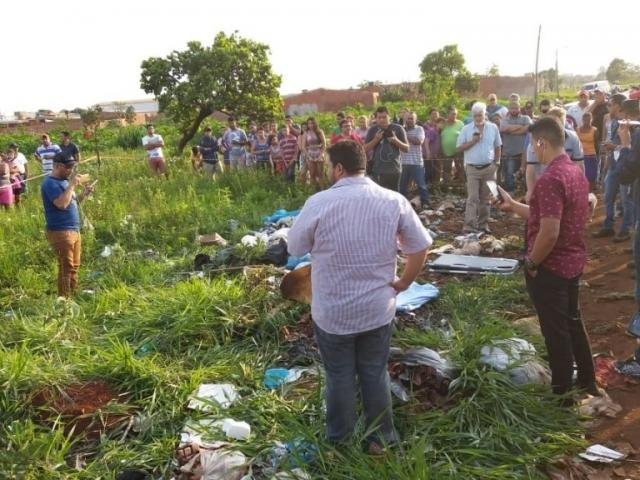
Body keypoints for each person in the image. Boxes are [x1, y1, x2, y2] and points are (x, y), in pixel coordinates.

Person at [287, 140, 431, 453]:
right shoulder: (393, 200)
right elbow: (420, 247)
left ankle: (340, 442)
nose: (328, 171)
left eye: (329, 166)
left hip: (334, 312)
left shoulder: (319, 202)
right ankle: (381, 439)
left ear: (338, 168)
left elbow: (294, 248)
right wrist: (404, 282)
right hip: (376, 310)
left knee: (339, 375)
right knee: (373, 372)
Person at [494, 117, 597, 399]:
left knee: (556, 332)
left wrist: (532, 262)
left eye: (532, 144)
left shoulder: (550, 179)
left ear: (541, 142)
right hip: (572, 262)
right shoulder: (575, 172)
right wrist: (513, 206)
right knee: (573, 322)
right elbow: (546, 217)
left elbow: (549, 232)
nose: (532, 151)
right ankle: (589, 382)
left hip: (550, 267)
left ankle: (562, 395)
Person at [41, 152, 95, 298]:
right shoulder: (50, 183)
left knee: (74, 266)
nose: (71, 170)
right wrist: (71, 185)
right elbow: (61, 204)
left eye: (73, 166)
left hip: (74, 230)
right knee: (66, 267)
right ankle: (64, 301)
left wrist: (84, 193)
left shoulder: (64, 181)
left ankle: (72, 295)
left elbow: (73, 201)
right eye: (69, 167)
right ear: (58, 166)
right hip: (60, 232)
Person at [456, 102, 502, 234]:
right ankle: (469, 226)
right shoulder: (466, 129)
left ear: (485, 114)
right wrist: (473, 141)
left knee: (486, 198)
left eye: (480, 115)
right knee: (472, 198)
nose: (478, 118)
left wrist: (497, 162)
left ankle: (483, 225)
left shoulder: (493, 128)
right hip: (472, 168)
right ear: (472, 115)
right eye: (475, 115)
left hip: (489, 168)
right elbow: (458, 148)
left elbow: (498, 146)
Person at [593, 94, 634, 241]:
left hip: (626, 166)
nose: (608, 107)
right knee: (608, 196)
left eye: (610, 104)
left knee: (625, 199)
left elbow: (632, 147)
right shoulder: (612, 121)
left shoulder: (632, 124)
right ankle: (608, 226)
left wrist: (614, 146)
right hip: (613, 163)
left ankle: (626, 230)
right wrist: (607, 158)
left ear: (618, 105)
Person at [364, 106, 409, 192]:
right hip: (378, 170)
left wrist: (395, 140)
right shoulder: (372, 130)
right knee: (379, 196)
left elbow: (406, 149)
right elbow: (365, 149)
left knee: (395, 195)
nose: (381, 120)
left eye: (384, 117)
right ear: (376, 118)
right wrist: (376, 139)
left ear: (389, 117)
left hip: (394, 169)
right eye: (379, 117)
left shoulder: (398, 128)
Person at [500, 100, 532, 192]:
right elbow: (504, 129)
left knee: (525, 174)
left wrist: (511, 130)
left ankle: (524, 193)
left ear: (520, 108)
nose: (514, 110)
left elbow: (529, 128)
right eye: (512, 108)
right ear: (509, 109)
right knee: (510, 174)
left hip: (524, 152)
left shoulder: (526, 118)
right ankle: (510, 194)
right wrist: (521, 128)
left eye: (516, 108)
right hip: (509, 152)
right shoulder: (505, 119)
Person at [399, 112, 428, 207]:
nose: (410, 120)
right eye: (408, 118)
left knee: (421, 185)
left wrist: (405, 135)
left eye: (412, 118)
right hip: (403, 162)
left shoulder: (420, 129)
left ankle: (426, 203)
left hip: (416, 162)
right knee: (402, 186)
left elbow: (418, 141)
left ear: (415, 120)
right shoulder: (401, 129)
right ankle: (402, 205)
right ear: (405, 120)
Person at [300, 117, 327, 189]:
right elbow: (303, 146)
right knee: (312, 174)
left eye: (312, 123)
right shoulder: (306, 133)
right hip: (310, 154)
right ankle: (313, 191)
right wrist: (308, 156)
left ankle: (323, 190)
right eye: (309, 123)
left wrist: (321, 155)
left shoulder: (319, 131)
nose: (310, 125)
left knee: (320, 174)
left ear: (315, 123)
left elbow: (324, 144)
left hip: (319, 153)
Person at [440, 107, 465, 183]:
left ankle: (463, 185)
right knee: (446, 169)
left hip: (458, 151)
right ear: (447, 114)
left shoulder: (460, 123)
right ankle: (447, 186)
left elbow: (465, 137)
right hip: (446, 152)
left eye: (456, 114)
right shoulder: (443, 124)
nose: (455, 115)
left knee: (460, 167)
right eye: (453, 114)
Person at [577, 112, 599, 188]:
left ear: (591, 120)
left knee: (591, 177)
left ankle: (590, 194)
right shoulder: (577, 130)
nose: (587, 121)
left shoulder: (595, 130)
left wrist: (597, 156)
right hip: (580, 156)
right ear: (582, 120)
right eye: (585, 120)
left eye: (588, 120)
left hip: (591, 156)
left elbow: (596, 144)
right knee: (580, 176)